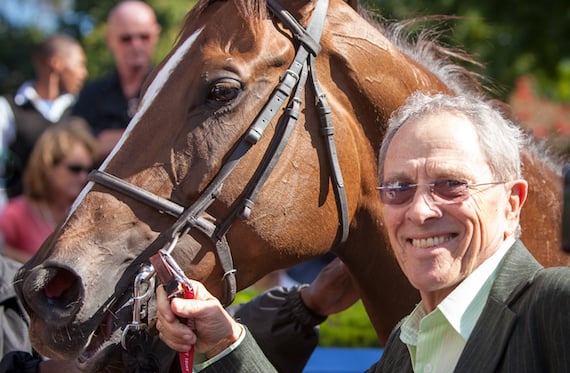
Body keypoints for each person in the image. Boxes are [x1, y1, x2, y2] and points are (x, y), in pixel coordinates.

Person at [155, 92, 570, 372]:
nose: (420, 211)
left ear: (512, 202)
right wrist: (224, 337)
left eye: (450, 184)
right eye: (400, 188)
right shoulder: (406, 345)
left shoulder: (556, 306)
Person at [0, 34, 88, 201]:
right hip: (21, 220)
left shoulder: (81, 110)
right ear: (56, 63)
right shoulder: (8, 109)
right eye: (79, 65)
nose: (83, 73)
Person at [72, 0, 161, 163]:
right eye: (126, 39)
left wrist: (104, 140)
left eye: (144, 37)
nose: (136, 45)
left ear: (156, 35)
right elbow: (73, 147)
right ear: (109, 40)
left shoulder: (169, 88)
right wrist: (147, 136)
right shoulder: (91, 95)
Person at [0, 118, 97, 263]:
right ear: (48, 167)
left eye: (87, 170)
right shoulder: (16, 214)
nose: (83, 177)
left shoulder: (88, 216)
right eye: (75, 169)